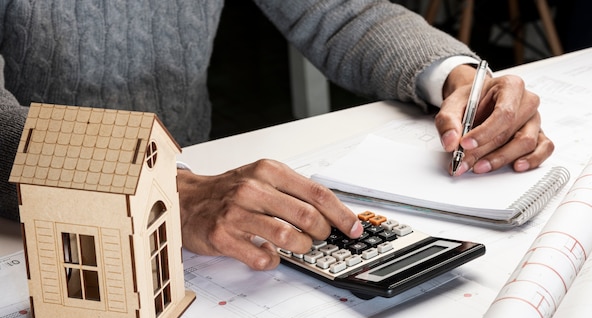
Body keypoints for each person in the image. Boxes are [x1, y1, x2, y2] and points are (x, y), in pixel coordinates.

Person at [0, 0, 553, 271]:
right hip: (35, 222)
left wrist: (456, 77)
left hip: (203, 210)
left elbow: (340, 12)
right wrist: (163, 187)